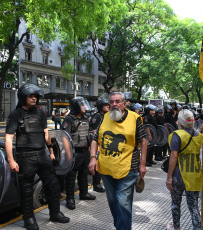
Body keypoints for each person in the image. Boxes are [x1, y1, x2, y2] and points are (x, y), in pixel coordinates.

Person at [5, 83, 69, 230]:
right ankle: (29, 219)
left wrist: (51, 151)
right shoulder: (16, 114)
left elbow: (46, 133)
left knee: (53, 184)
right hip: (25, 157)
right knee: (26, 189)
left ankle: (55, 213)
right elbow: (8, 138)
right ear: (23, 97)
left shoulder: (40, 113)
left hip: (42, 154)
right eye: (31, 96)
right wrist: (10, 160)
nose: (34, 98)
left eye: (36, 96)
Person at [88, 92, 147, 230]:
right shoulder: (105, 118)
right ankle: (120, 226)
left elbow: (143, 141)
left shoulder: (135, 118)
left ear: (125, 103)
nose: (114, 104)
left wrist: (142, 164)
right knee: (113, 203)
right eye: (112, 102)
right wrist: (92, 158)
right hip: (106, 168)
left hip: (128, 169)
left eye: (118, 101)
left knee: (123, 204)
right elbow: (95, 139)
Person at [166, 109, 203, 230]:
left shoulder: (177, 135)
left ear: (180, 121)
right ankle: (197, 227)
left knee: (175, 203)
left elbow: (174, 156)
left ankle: (176, 227)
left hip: (178, 175)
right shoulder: (200, 136)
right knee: (194, 206)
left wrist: (169, 177)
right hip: (194, 174)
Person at [62, 97, 96, 210]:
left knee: (84, 174)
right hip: (74, 153)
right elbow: (65, 138)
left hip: (85, 151)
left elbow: (90, 135)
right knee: (71, 177)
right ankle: (70, 199)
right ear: (76, 106)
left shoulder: (86, 119)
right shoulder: (69, 119)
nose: (85, 107)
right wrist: (68, 155)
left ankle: (84, 193)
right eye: (82, 105)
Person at [89, 97, 110, 193]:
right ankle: (96, 185)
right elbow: (94, 132)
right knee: (97, 165)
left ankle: (99, 183)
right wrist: (97, 146)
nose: (108, 106)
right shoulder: (97, 116)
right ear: (100, 106)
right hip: (98, 145)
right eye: (106, 105)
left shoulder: (106, 116)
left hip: (104, 144)